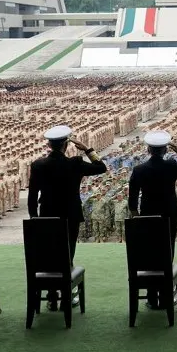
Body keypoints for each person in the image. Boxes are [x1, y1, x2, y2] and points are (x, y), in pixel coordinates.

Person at [28, 125, 107, 310]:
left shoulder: (38, 165)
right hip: (70, 215)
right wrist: (87, 149)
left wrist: (34, 218)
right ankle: (65, 295)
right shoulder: (75, 163)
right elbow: (101, 167)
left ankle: (51, 296)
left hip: (46, 216)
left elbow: (32, 196)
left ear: (49, 144)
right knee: (67, 254)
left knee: (48, 255)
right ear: (66, 145)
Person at [128, 130, 177, 308]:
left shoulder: (139, 170)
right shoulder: (171, 166)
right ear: (165, 151)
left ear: (148, 150)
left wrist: (137, 217)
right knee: (167, 253)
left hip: (147, 218)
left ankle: (152, 297)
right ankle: (166, 296)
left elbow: (132, 200)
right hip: (168, 216)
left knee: (149, 255)